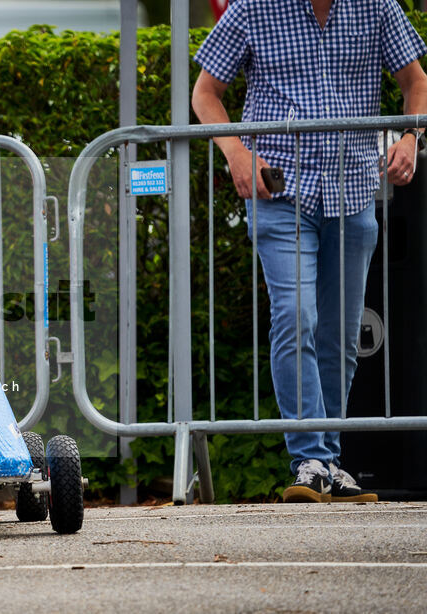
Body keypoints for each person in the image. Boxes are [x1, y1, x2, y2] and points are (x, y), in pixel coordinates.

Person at [191, 0, 427, 503]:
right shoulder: (254, 8)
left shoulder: (377, 6)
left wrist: (411, 135)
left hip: (354, 190)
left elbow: (417, 81)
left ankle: (329, 460)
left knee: (340, 335)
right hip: (279, 193)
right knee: (294, 315)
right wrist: (237, 151)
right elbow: (206, 94)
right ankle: (309, 459)